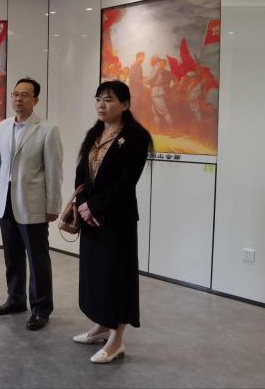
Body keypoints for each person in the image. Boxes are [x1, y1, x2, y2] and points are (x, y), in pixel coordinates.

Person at [71, 80, 152, 364]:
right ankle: (102, 327)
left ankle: (117, 340)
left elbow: (126, 182)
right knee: (97, 276)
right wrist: (83, 205)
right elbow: (81, 174)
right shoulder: (95, 132)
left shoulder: (136, 137)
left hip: (117, 220)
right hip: (91, 219)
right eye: (98, 99)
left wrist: (94, 207)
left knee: (117, 277)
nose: (101, 105)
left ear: (125, 104)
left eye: (108, 100)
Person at [0, 78, 63, 331]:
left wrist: (53, 204)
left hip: (32, 204)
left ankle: (41, 309)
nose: (18, 99)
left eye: (25, 95)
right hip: (5, 201)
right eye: (15, 94)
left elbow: (54, 171)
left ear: (35, 100)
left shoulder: (47, 130)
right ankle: (16, 299)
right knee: (12, 255)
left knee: (37, 257)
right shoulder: (3, 127)